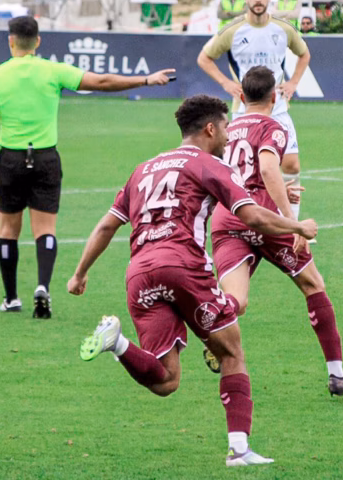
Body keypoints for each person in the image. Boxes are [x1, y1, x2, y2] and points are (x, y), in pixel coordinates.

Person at [67, 95, 318, 466]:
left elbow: (107, 225)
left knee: (166, 380)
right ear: (210, 129)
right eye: (226, 128)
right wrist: (297, 225)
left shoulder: (143, 169)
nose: (229, 136)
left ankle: (116, 342)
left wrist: (79, 273)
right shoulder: (209, 164)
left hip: (139, 274)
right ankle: (239, 450)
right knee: (231, 351)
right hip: (183, 265)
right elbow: (252, 217)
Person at [0, 16, 174, 318]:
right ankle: (43, 286)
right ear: (38, 41)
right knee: (45, 229)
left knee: (8, 230)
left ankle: (12, 298)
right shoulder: (53, 71)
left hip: (11, 159)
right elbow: (102, 82)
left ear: (10, 41)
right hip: (45, 158)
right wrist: (146, 80)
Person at [203, 66, 343, 397]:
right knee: (313, 284)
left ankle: (210, 332)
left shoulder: (227, 129)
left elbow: (230, 175)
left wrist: (266, 189)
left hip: (227, 219)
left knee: (237, 301)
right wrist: (294, 223)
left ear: (241, 96)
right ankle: (336, 375)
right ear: (274, 97)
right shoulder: (273, 127)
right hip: (265, 220)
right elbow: (266, 168)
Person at [198, 0, 311, 220]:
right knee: (242, 169)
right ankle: (239, 220)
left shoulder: (283, 28)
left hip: (277, 108)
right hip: (243, 111)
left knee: (291, 164)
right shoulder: (233, 30)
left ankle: (291, 223)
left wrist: (293, 82)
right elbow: (204, 58)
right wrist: (226, 83)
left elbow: (304, 54)